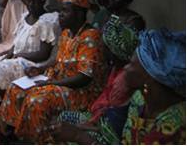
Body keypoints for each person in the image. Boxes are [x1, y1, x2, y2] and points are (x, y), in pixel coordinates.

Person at [0, 0, 106, 143]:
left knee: (37, 100)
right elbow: (58, 60)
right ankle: (13, 134)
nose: (60, 15)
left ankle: (40, 139)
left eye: (65, 11)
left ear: (79, 14)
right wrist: (40, 69)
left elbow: (84, 78)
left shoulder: (90, 37)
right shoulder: (66, 33)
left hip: (80, 91)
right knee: (16, 88)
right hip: (58, 80)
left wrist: (51, 83)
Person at [50, 29, 186, 145]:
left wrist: (78, 136)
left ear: (149, 77)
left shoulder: (175, 126)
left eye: (132, 65)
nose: (126, 68)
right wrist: (83, 129)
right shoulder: (139, 99)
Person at [49, 14, 143, 144]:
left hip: (107, 132)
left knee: (66, 130)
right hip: (99, 118)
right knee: (63, 119)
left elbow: (110, 120)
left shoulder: (122, 81)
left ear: (113, 51)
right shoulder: (116, 68)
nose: (99, 49)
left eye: (103, 46)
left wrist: (82, 127)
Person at [0, 0, 60, 102]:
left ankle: (1, 103)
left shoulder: (47, 21)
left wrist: (20, 55)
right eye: (29, 1)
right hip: (17, 59)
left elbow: (43, 54)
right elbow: (16, 44)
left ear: (43, 2)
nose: (31, 5)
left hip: (32, 64)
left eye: (35, 2)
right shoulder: (25, 17)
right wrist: (7, 55)